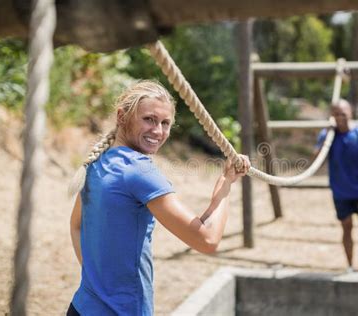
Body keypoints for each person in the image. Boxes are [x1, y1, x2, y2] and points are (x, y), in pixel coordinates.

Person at [67, 80, 250, 316]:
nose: (158, 131)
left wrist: (98, 281)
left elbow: (75, 226)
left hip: (81, 307)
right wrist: (225, 187)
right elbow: (207, 240)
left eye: (165, 123)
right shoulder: (140, 171)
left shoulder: (98, 162)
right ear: (122, 117)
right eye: (149, 119)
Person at [314, 99, 358, 274]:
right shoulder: (327, 136)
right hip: (340, 193)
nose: (340, 117)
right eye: (336, 114)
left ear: (350, 113)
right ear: (331, 116)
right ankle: (350, 266)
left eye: (343, 113)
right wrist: (326, 136)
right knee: (346, 227)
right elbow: (317, 161)